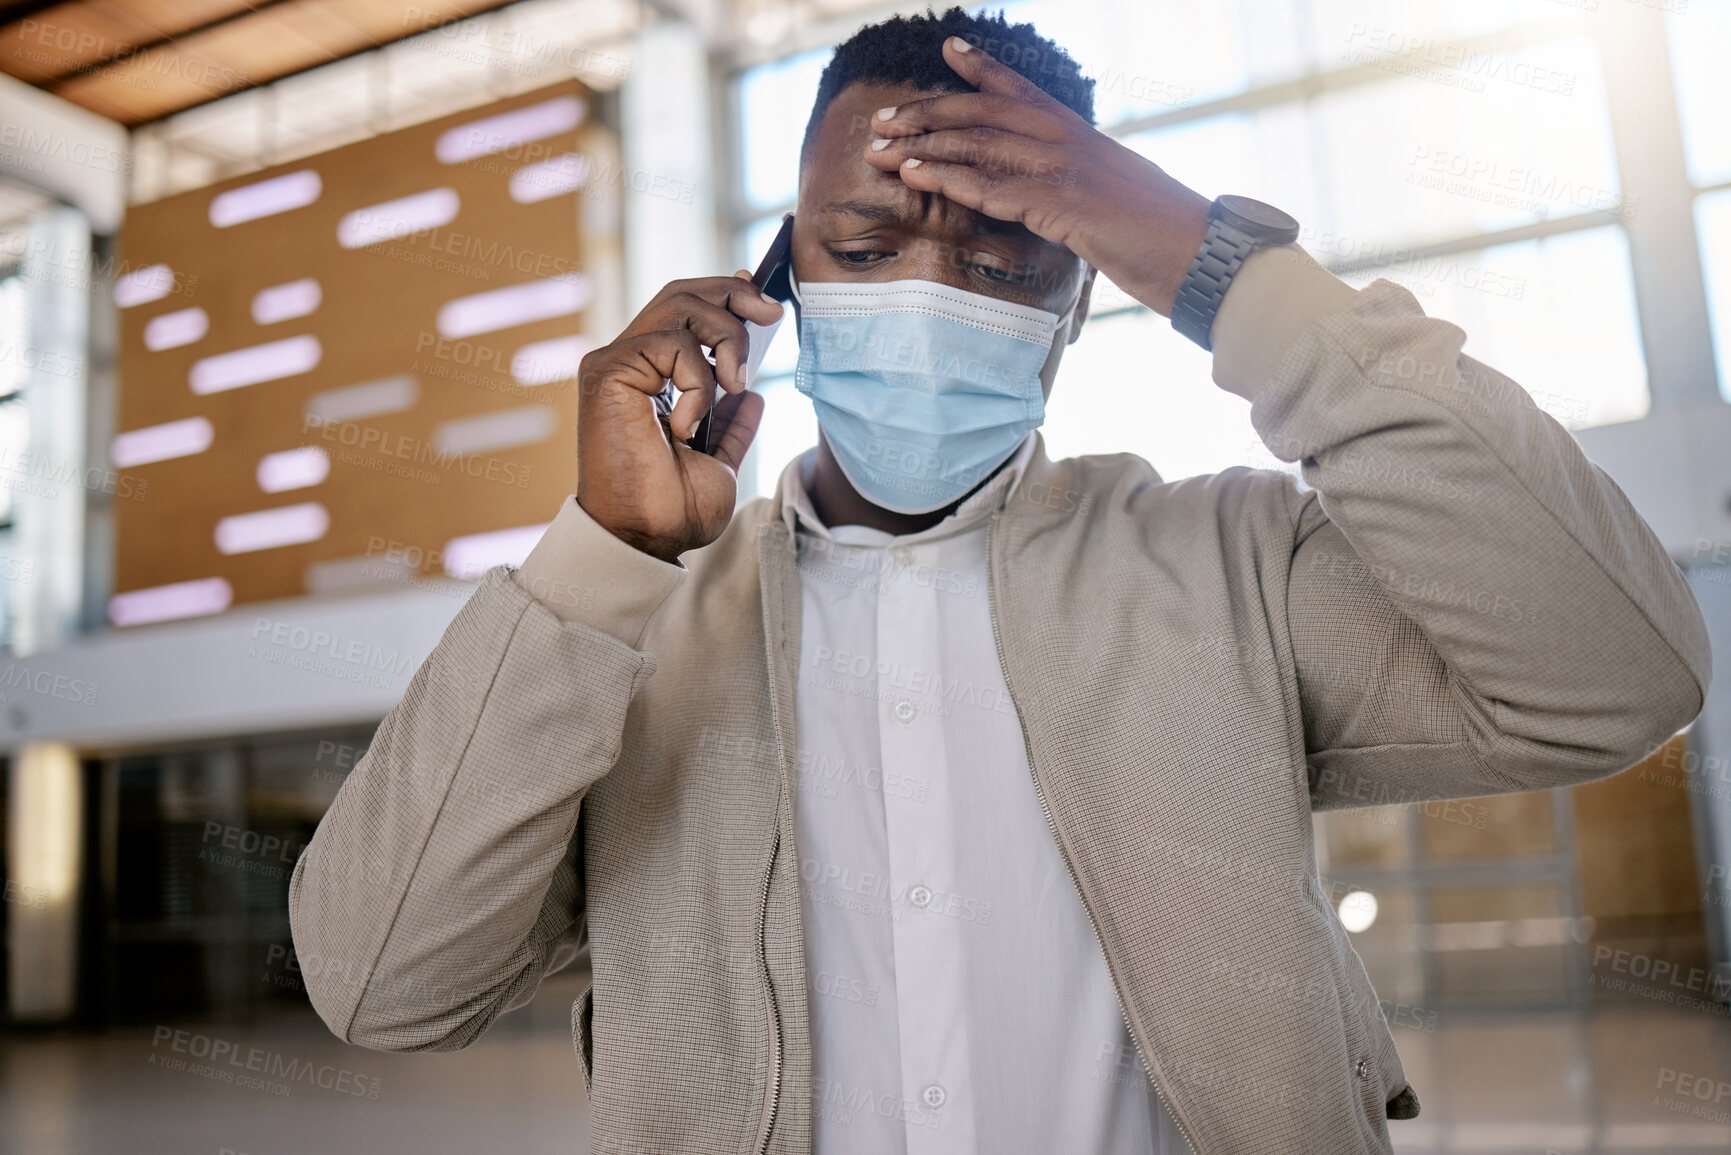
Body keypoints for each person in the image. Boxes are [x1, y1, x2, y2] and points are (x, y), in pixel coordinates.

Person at [288, 8, 1711, 1154]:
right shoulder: (632, 644)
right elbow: (378, 984)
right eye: (863, 247)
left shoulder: (1225, 568)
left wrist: (1222, 272)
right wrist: (603, 559)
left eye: (1002, 255)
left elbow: (1616, 674)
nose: (927, 290)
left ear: (1081, 298)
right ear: (777, 281)